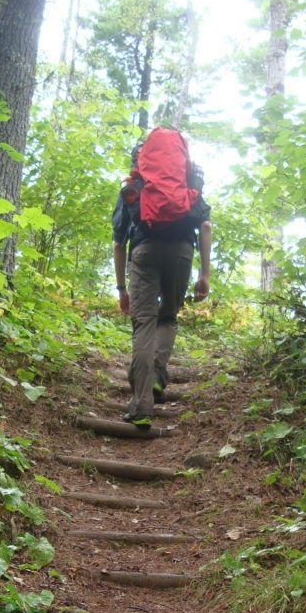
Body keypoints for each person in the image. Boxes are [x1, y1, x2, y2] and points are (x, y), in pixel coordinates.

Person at [112, 138, 212, 430]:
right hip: (181, 252)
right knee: (167, 317)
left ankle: (142, 405)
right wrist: (203, 274)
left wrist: (121, 288)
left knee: (144, 323)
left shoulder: (133, 188)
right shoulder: (188, 183)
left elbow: (119, 243)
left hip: (144, 251)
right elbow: (205, 226)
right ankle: (156, 375)